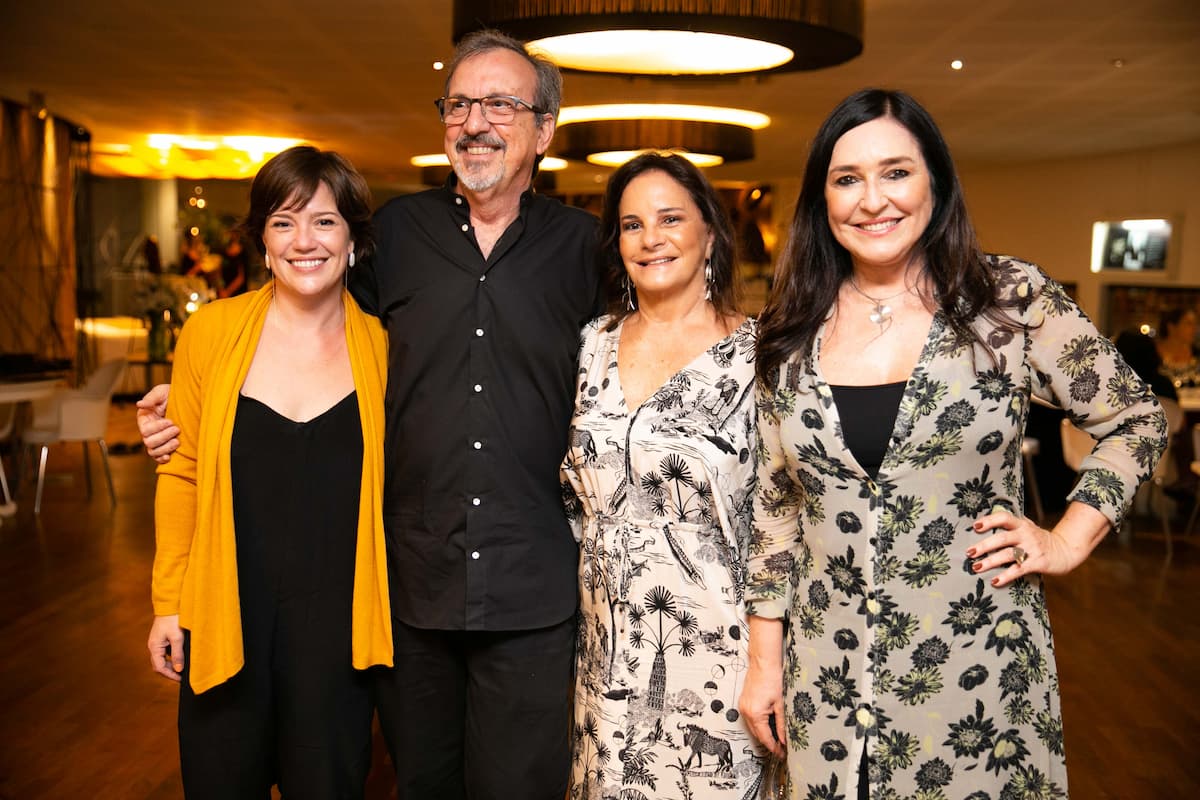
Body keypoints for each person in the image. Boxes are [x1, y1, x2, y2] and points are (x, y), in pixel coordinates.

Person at [141, 30, 602, 799]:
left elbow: (644, 355)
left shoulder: (586, 250)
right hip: (409, 589)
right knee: (419, 782)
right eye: (457, 104)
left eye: (498, 103)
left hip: (530, 583)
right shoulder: (399, 235)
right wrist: (185, 400)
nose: (474, 121)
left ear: (544, 129)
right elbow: (295, 321)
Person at [737, 89, 1167, 799]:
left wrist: (1067, 540)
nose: (872, 199)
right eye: (847, 180)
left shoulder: (1009, 300)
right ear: (822, 201)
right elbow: (777, 510)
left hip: (976, 672)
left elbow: (1134, 419)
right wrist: (763, 662)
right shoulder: (788, 331)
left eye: (896, 172)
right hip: (828, 681)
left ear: (935, 181)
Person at [145, 145, 392, 798]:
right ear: (261, 238)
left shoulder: (387, 347)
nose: (303, 241)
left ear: (353, 239)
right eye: (283, 222)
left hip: (337, 635)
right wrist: (167, 603)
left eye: (324, 222)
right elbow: (183, 471)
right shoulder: (211, 333)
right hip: (226, 613)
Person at [561, 153, 766, 799]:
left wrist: (768, 662)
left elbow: (784, 518)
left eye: (671, 218)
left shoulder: (762, 355)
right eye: (631, 224)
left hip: (721, 652)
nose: (651, 238)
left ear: (711, 233)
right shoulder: (590, 343)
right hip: (604, 650)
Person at [1156, 307, 1198, 381]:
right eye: (1188, 323)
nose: (1194, 329)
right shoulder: (1152, 355)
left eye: (1195, 324)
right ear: (1171, 327)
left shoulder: (1197, 354)